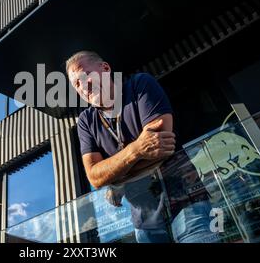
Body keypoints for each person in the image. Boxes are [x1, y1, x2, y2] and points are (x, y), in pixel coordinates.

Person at [66, 50, 219, 243]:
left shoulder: (139, 85)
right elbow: (95, 177)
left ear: (105, 68)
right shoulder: (86, 121)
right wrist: (136, 150)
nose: (82, 86)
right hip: (143, 222)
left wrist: (115, 176)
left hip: (187, 203)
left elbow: (161, 147)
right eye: (76, 84)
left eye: (84, 76)